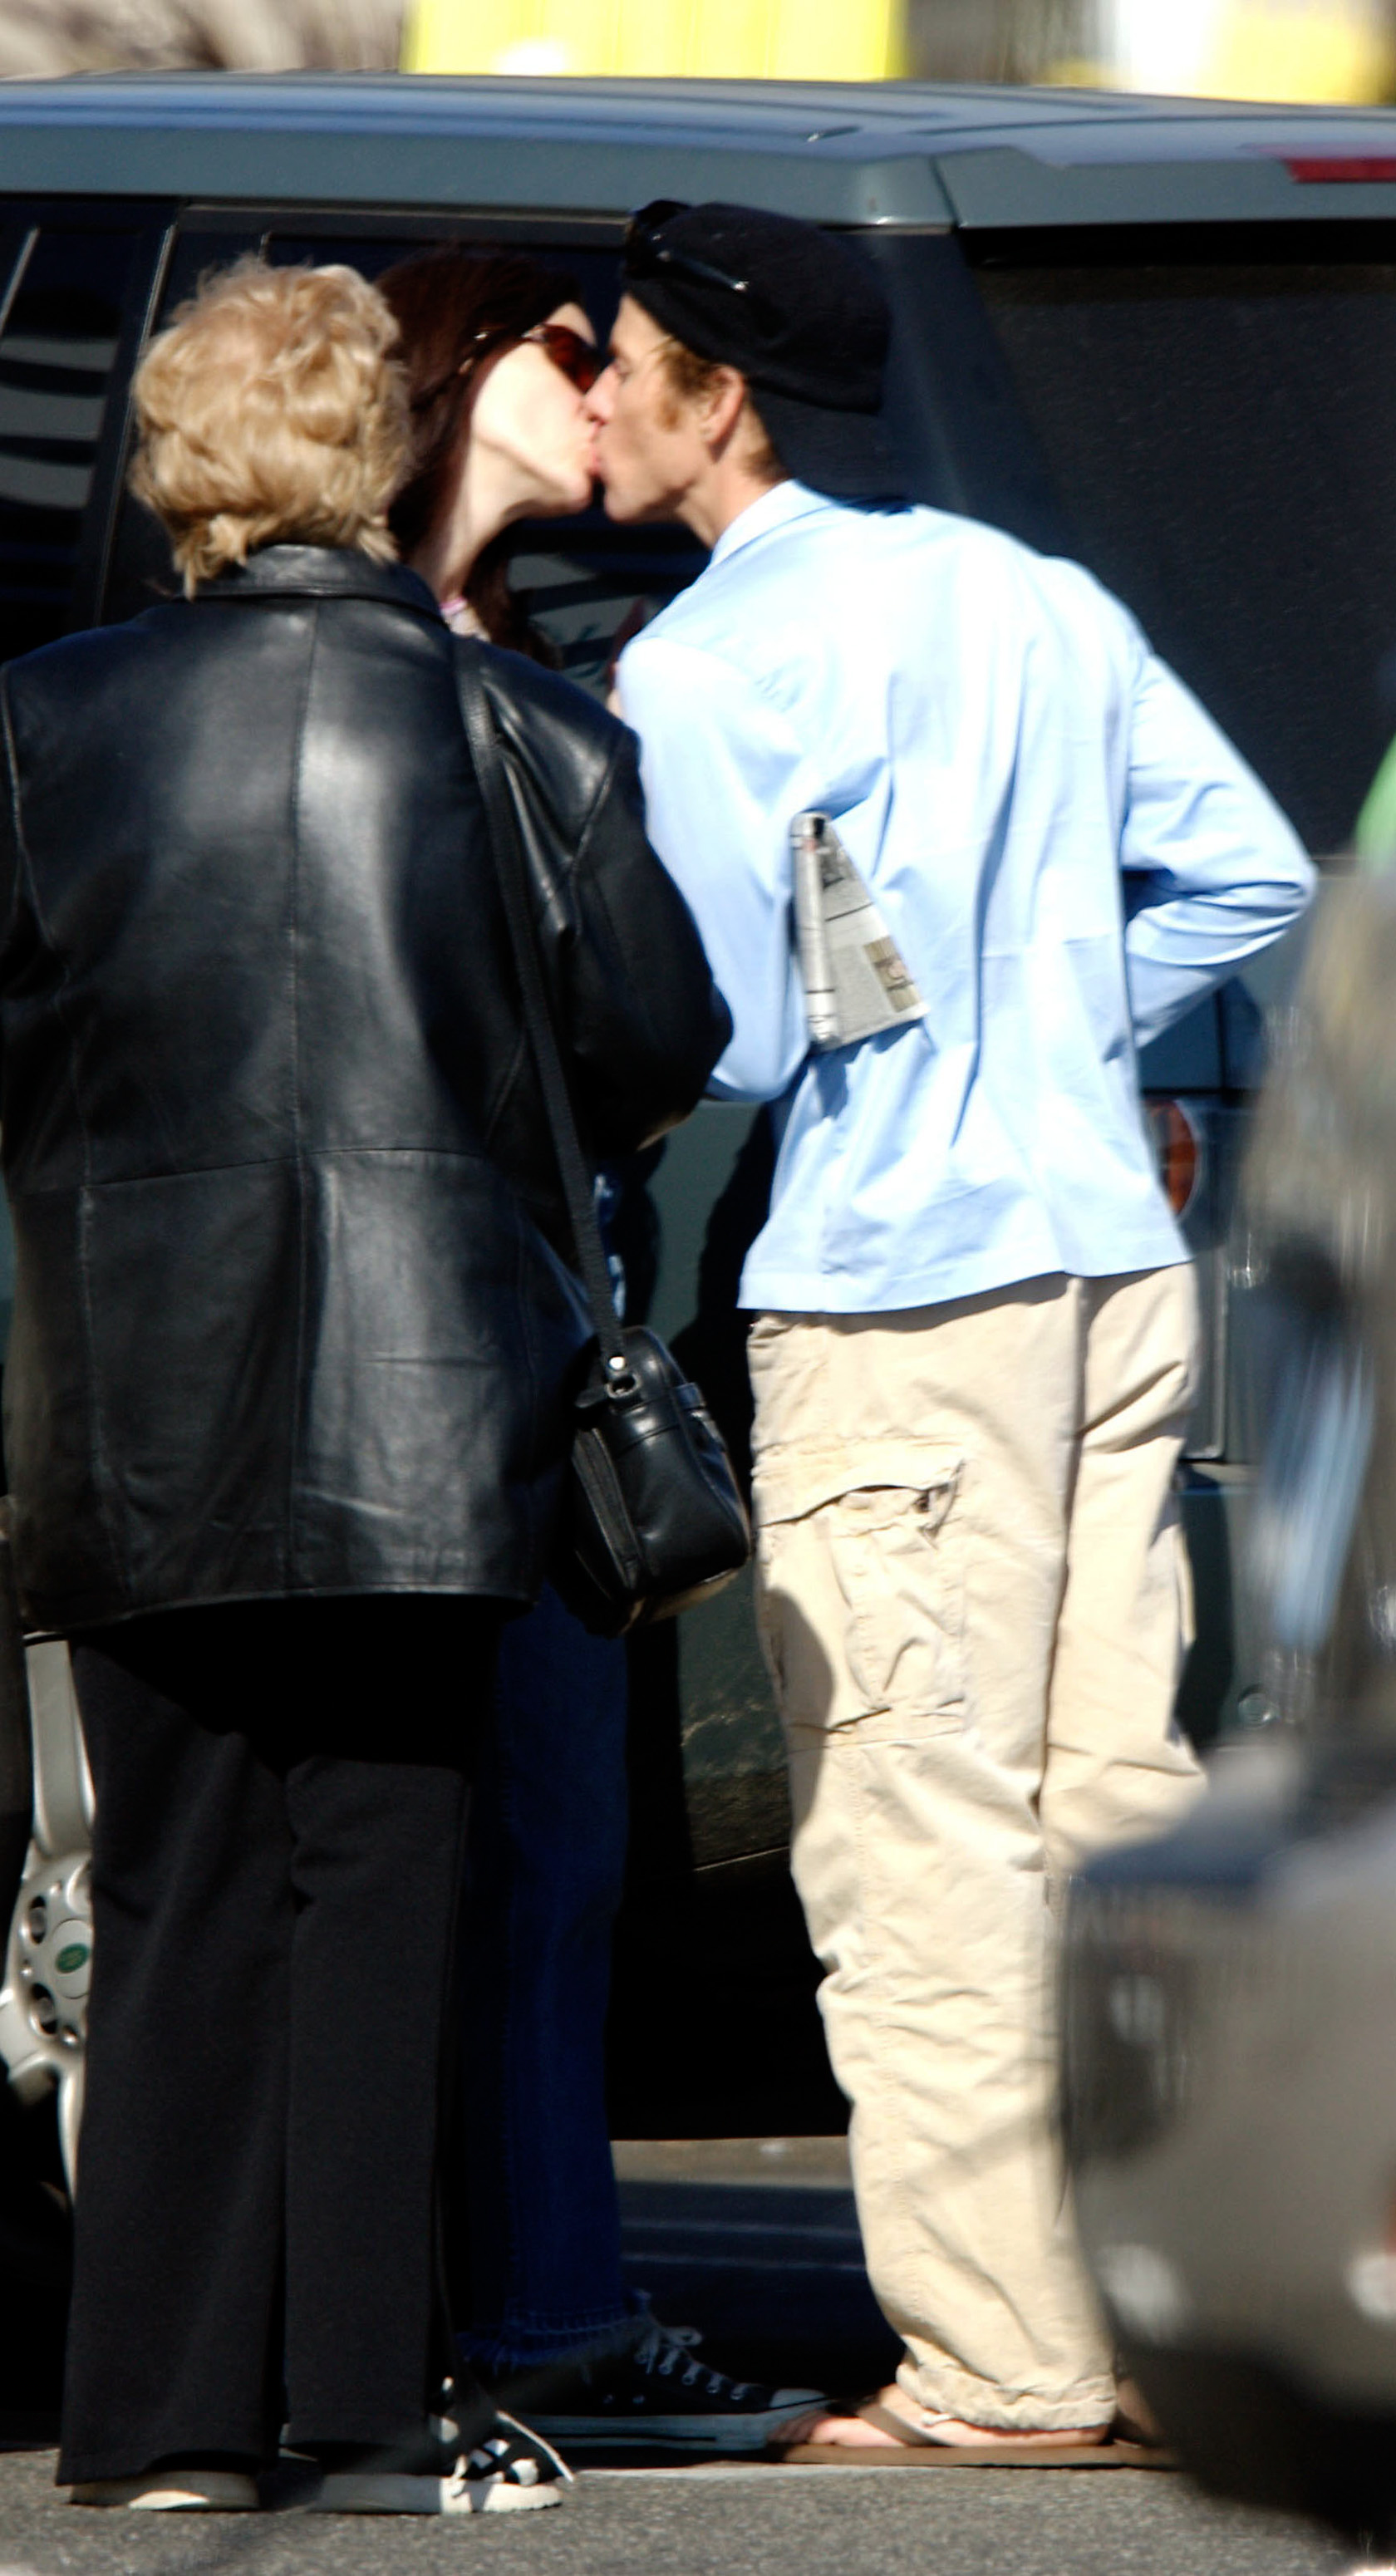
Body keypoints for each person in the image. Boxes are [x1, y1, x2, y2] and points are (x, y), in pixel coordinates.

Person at [0, 254, 729, 2515]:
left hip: (136, 1403)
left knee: (180, 1892)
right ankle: (362, 2406)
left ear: (181, 460)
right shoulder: (527, 730)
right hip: (434, 1402)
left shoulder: (42, 720)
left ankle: (150, 2417)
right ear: (375, 453)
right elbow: (661, 1038)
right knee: (392, 1882)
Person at [587, 199, 1316, 2456]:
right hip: (1111, 1271)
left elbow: (700, 1030)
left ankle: (1004, 2367)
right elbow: (1259, 873)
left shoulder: (702, 669)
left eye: (619, 358)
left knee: (920, 1841)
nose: (595, 391)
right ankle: (1176, 2316)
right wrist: (1066, 1029)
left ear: (720, 395)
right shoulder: (1039, 596)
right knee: (1112, 1812)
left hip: (902, 1301)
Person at [376, 241, 822, 2454]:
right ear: (454, 375)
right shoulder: (339, 656)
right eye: (567, 348)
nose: (605, 381)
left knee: (551, 1840)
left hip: (540, 1315)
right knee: (391, 1849)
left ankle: (544, 2302)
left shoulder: (533, 655)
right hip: (397, 1328)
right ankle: (435, 2321)